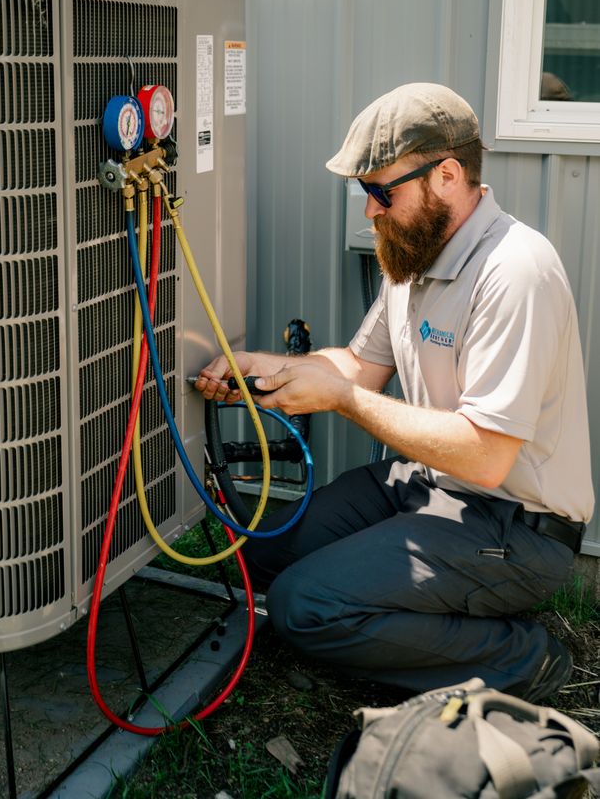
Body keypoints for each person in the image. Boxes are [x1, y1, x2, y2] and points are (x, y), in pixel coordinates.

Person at [194, 82, 594, 701]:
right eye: (365, 192)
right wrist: (260, 367)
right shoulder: (415, 258)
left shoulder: (515, 272)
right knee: (259, 555)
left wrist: (344, 400)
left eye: (383, 192)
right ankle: (435, 608)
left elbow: (487, 456)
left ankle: (523, 659)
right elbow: (358, 364)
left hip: (517, 526)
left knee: (303, 607)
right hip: (432, 485)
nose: (370, 211)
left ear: (448, 175)